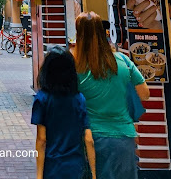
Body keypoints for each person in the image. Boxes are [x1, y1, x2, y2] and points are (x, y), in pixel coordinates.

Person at [74, 11, 150, 179]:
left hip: (91, 140)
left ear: (79, 35)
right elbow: (145, 94)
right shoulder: (123, 61)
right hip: (124, 137)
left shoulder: (76, 68)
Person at [32, 46, 96, 179]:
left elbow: (41, 140)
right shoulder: (79, 99)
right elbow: (88, 138)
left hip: (53, 167)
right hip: (76, 167)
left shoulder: (42, 99)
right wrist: (94, 174)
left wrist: (39, 175)